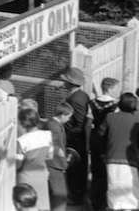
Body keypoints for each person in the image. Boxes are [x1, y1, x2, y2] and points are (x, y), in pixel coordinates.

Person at [98, 92, 139, 211]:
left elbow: (100, 134)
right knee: (130, 189)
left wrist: (103, 152)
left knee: (114, 186)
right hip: (130, 159)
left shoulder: (110, 117)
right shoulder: (137, 122)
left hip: (112, 156)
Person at [60, 66, 90, 206]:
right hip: (77, 139)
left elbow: (79, 122)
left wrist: (66, 132)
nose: (63, 82)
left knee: (75, 169)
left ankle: (76, 196)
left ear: (70, 83)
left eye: (66, 80)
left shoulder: (76, 99)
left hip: (75, 140)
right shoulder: (81, 95)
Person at [89, 77, 120, 211]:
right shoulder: (115, 106)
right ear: (110, 88)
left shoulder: (92, 103)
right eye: (116, 88)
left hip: (95, 138)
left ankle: (95, 200)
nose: (117, 91)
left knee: (96, 170)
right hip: (107, 139)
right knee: (107, 172)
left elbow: (89, 121)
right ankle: (105, 201)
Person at [16, 107, 53, 211]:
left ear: (23, 123)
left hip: (26, 177)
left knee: (27, 205)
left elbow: (18, 165)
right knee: (42, 204)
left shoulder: (21, 141)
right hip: (42, 174)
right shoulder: (48, 135)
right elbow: (50, 156)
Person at [46, 102, 74, 211]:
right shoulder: (55, 127)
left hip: (53, 163)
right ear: (62, 115)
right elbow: (56, 146)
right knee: (60, 195)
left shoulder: (52, 124)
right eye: (68, 116)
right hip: (55, 164)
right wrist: (64, 163)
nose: (69, 119)